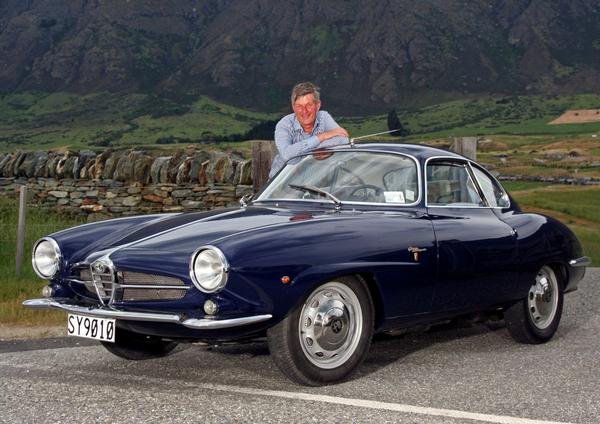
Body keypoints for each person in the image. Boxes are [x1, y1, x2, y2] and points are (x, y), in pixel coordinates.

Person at [269, 82, 349, 177]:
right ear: (293, 107)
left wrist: (306, 153)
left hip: (313, 182)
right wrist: (321, 137)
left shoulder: (323, 117)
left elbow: (343, 139)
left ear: (318, 105)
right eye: (299, 106)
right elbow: (288, 156)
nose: (304, 111)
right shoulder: (284, 124)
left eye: (309, 105)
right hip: (280, 182)